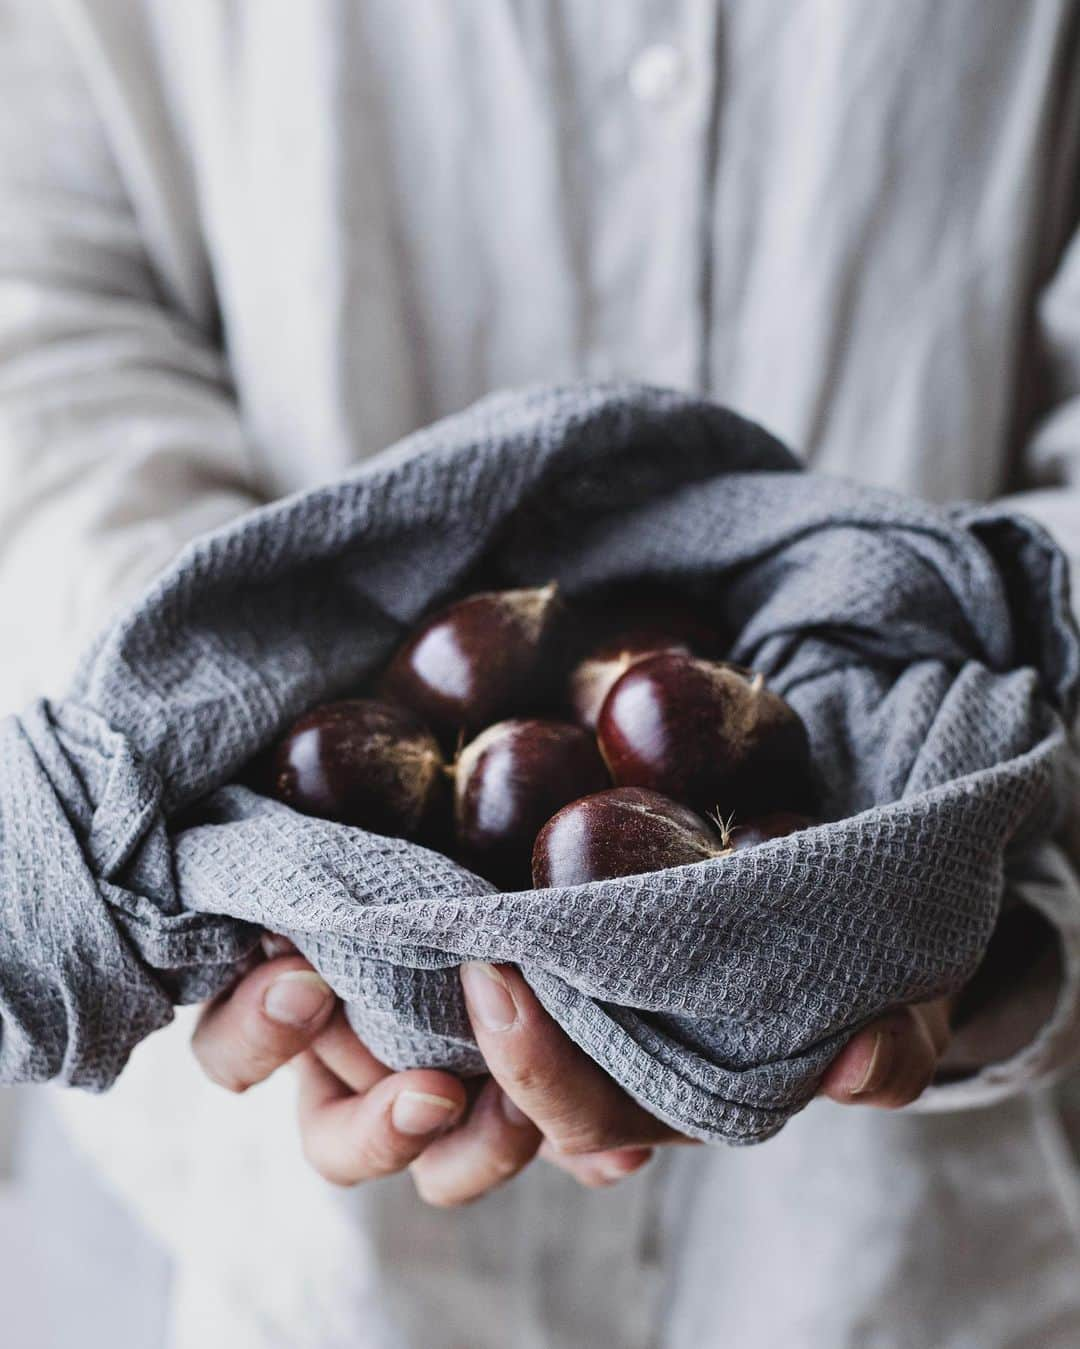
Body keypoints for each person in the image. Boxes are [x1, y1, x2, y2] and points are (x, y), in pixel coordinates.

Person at [1, 2, 1079, 1346]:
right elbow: (43, 299)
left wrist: (970, 880)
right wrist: (198, 765)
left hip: (932, 1255)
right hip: (297, 1257)